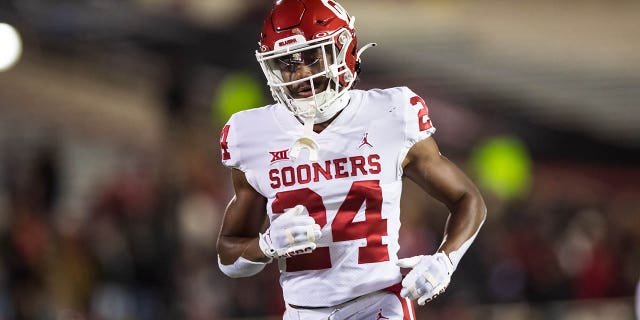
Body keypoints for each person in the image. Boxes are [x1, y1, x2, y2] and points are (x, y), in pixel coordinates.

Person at [216, 0, 486, 319]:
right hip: (302, 313)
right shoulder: (251, 135)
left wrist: (445, 262)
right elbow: (228, 256)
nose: (300, 74)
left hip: (378, 303)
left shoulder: (391, 113)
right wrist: (267, 245)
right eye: (287, 63)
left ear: (343, 50)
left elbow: (468, 199)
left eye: (312, 58)